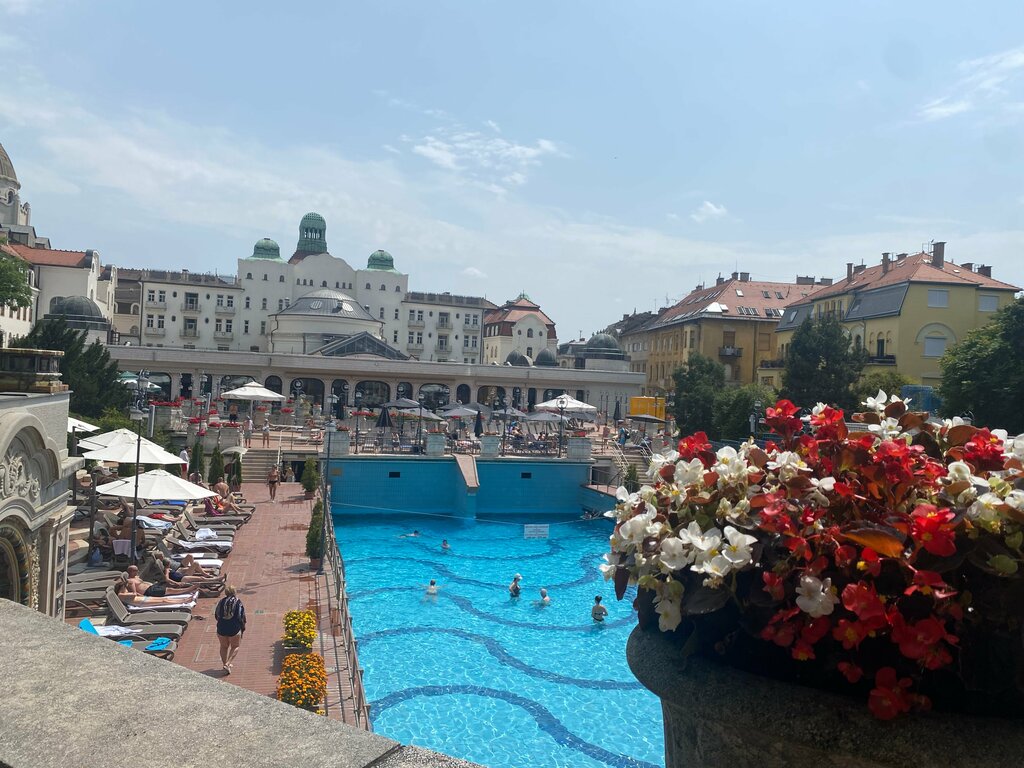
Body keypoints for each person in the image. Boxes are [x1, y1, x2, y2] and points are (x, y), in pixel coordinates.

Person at [215, 585, 246, 675]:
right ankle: (228, 663)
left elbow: (217, 615)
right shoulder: (238, 602)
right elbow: (241, 616)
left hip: (221, 627)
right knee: (235, 646)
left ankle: (224, 664)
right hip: (234, 627)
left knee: (223, 646)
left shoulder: (221, 601)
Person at [120, 565, 200, 599]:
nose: (137, 572)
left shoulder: (136, 577)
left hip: (152, 587)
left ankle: (187, 588)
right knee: (169, 590)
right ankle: (188, 589)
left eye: (137, 570)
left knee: (169, 588)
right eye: (135, 571)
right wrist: (144, 597)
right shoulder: (130, 581)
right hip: (149, 592)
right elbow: (134, 592)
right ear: (130, 571)